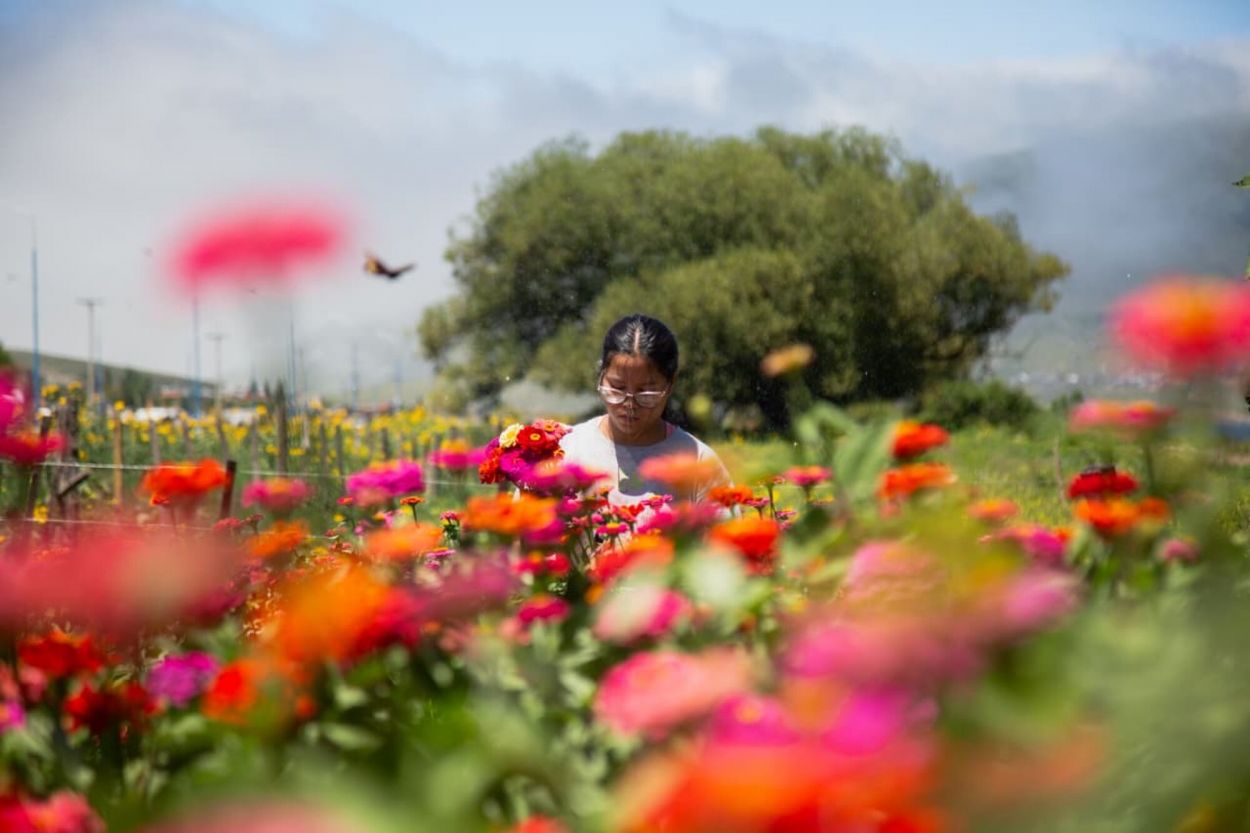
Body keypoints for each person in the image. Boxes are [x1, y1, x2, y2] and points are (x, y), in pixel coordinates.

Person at [559, 314, 729, 505]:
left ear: (671, 384)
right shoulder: (567, 449)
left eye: (646, 392)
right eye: (617, 388)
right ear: (601, 375)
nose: (629, 404)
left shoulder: (698, 462)